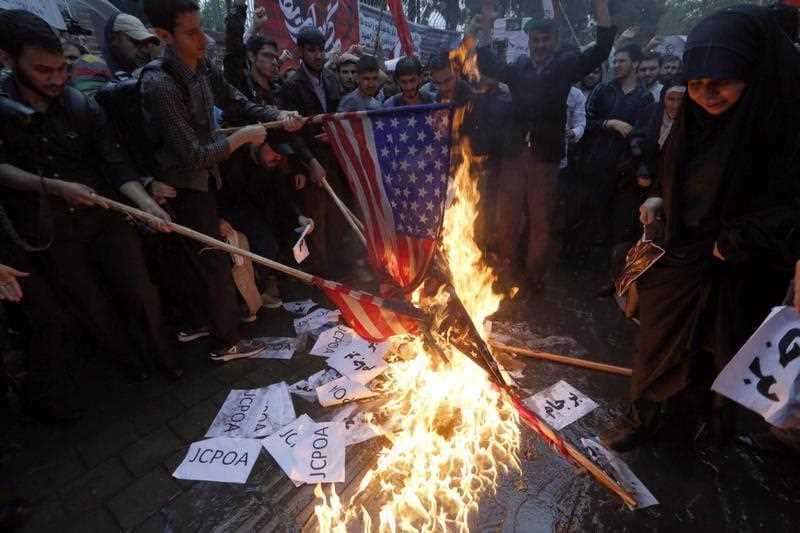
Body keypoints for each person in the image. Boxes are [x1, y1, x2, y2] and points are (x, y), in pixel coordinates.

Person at [606, 4, 800, 452]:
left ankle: (711, 428)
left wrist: (741, 239)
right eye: (696, 84)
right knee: (657, 342)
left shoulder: (782, 125)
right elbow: (675, 168)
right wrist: (658, 196)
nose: (707, 95)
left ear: (753, 74)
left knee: (723, 352)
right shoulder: (695, 119)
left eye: (722, 83)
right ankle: (646, 416)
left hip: (743, 266)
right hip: (683, 255)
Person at [0, 10, 183, 386]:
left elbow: (115, 163)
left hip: (103, 212)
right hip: (48, 227)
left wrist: (146, 205)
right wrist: (52, 186)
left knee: (139, 288)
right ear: (8, 60)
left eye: (61, 69)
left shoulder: (80, 105)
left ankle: (163, 358)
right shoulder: (4, 110)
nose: (56, 80)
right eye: (43, 71)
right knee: (91, 304)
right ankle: (129, 367)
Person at [141, 0, 302, 359]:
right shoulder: (160, 84)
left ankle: (207, 323)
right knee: (212, 262)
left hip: (209, 182)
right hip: (183, 188)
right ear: (163, 35)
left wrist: (278, 113)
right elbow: (195, 154)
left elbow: (236, 100)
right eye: (191, 32)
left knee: (207, 260)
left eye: (201, 28)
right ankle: (226, 342)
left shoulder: (201, 68)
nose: (201, 40)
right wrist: (242, 138)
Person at [476, 0, 615, 288]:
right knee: (507, 216)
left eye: (545, 39)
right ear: (528, 43)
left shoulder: (566, 65)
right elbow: (487, 62)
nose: (540, 45)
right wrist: (487, 23)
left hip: (545, 156)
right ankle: (505, 270)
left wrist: (600, 6)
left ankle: (534, 277)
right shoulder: (520, 67)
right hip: (514, 153)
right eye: (535, 40)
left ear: (554, 41)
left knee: (541, 220)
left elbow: (601, 50)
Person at [280, 26, 349, 277]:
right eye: (312, 51)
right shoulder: (291, 86)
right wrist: (309, 162)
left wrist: (336, 136)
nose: (318, 56)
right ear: (300, 52)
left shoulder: (331, 78)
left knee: (338, 216)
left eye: (321, 50)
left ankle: (339, 272)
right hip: (311, 162)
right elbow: (292, 133)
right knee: (316, 220)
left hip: (335, 158)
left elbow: (338, 116)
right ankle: (321, 278)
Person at [583, 45, 654, 247]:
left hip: (625, 169)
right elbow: (585, 122)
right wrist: (609, 123)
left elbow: (644, 133)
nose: (616, 65)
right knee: (594, 215)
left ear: (635, 63)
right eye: (614, 61)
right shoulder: (603, 90)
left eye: (621, 60)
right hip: (598, 163)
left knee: (620, 221)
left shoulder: (644, 97)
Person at [224, 0, 280, 106]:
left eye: (275, 57)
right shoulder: (241, 86)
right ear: (251, 56)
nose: (274, 62)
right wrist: (239, 6)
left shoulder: (279, 91)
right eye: (267, 55)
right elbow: (233, 47)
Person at [103, 13, 160, 80]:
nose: (143, 50)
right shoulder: (102, 75)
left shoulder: (145, 72)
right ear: (114, 39)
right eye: (136, 42)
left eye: (145, 43)